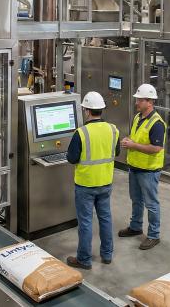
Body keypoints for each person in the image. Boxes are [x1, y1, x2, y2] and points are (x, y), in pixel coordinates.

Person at [66, 92, 120, 270]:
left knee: (86, 222)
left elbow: (72, 158)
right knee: (105, 218)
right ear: (101, 110)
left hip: (85, 185)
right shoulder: (113, 129)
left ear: (86, 111)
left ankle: (84, 259)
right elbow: (116, 152)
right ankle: (107, 255)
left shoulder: (80, 133)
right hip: (105, 183)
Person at [119, 84, 166, 251]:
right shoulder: (138, 117)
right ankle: (135, 226)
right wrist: (128, 140)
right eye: (137, 99)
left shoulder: (157, 123)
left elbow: (156, 148)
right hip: (135, 167)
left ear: (149, 102)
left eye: (140, 99)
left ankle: (154, 235)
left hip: (148, 171)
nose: (136, 102)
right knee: (136, 200)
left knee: (151, 204)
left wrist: (134, 145)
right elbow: (136, 138)